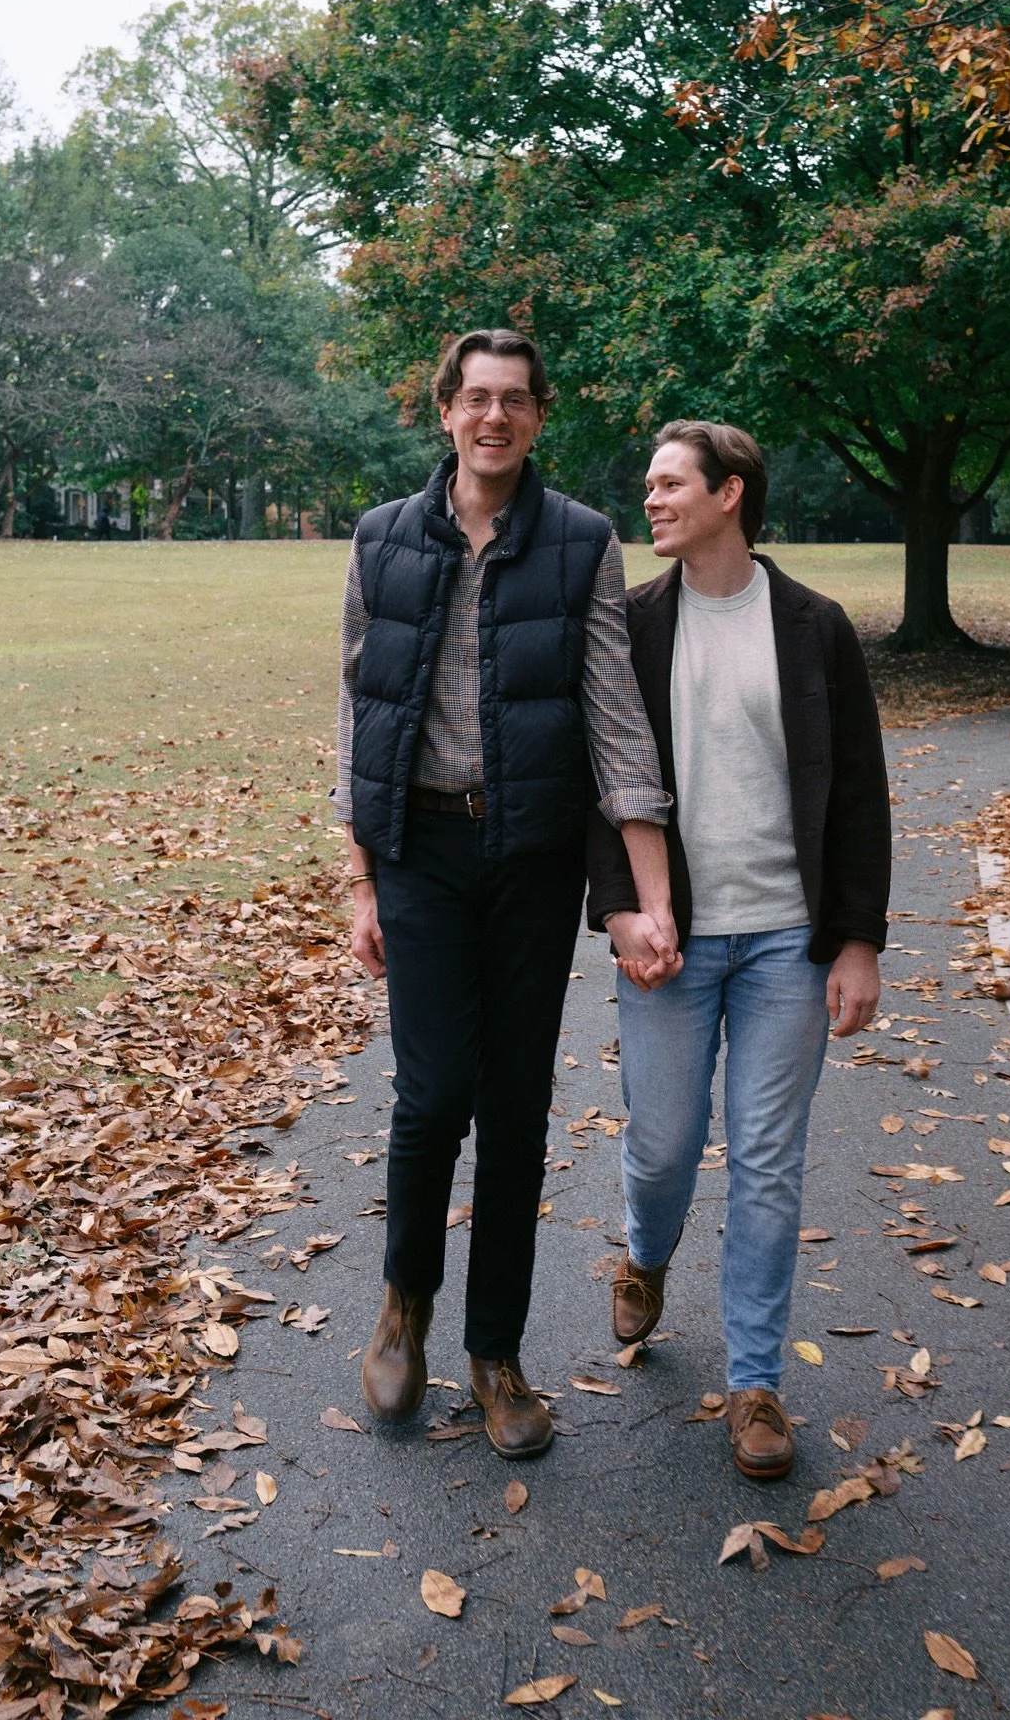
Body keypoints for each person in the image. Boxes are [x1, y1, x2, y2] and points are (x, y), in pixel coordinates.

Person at [335, 328, 679, 1460]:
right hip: (422, 856)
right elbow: (361, 714)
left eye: (514, 402)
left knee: (518, 1111)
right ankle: (404, 1309)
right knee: (433, 1097)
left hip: (529, 860)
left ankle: (496, 1353)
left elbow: (617, 718)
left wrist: (647, 884)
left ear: (538, 419)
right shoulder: (382, 538)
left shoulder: (581, 542)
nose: (494, 418)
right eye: (474, 398)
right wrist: (362, 881)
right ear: (445, 411)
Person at [587, 420, 891, 1481]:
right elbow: (603, 785)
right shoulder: (629, 627)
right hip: (671, 941)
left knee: (765, 1162)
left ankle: (757, 1382)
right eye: (650, 485)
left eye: (671, 484)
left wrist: (857, 941)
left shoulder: (815, 628)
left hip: (785, 947)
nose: (653, 500)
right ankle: (646, 1253)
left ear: (730, 495)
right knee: (665, 1143)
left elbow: (857, 794)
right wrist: (621, 907)